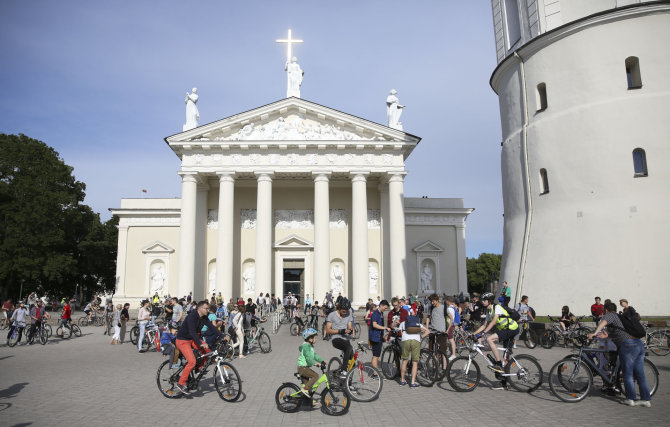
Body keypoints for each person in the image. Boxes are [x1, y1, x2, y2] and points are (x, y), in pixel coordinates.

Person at [588, 302, 651, 407]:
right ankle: (646, 400)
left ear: (606, 310)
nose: (603, 312)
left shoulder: (611, 315)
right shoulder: (619, 319)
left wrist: (594, 333)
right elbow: (611, 333)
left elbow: (603, 322)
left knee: (628, 373)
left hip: (628, 345)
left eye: (604, 310)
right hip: (638, 344)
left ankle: (630, 399)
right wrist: (602, 335)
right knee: (640, 373)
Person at [175, 300, 227, 394]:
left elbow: (212, 327)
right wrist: (200, 342)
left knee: (208, 351)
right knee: (191, 362)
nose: (208, 310)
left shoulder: (204, 317)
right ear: (200, 308)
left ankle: (199, 368)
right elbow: (192, 332)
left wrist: (222, 336)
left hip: (193, 339)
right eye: (206, 308)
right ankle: (181, 383)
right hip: (183, 340)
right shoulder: (191, 317)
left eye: (208, 308)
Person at [473, 293, 519, 378]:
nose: (482, 302)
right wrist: (473, 334)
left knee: (489, 339)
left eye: (484, 300)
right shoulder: (489, 312)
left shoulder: (497, 307)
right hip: (506, 330)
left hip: (511, 328)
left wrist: (483, 333)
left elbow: (493, 322)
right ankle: (504, 380)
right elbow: (484, 325)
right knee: (507, 357)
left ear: (490, 301)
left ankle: (498, 363)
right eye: (482, 300)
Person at [398, 312, 430, 387]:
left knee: (405, 360)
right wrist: (422, 336)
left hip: (406, 340)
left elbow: (400, 332)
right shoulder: (418, 324)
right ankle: (412, 382)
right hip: (416, 341)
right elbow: (428, 331)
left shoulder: (403, 323)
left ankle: (402, 380)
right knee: (415, 362)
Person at [325, 298, 354, 376]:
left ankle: (348, 384)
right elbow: (327, 330)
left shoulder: (349, 314)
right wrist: (339, 331)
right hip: (336, 338)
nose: (345, 313)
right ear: (339, 308)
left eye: (346, 311)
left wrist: (350, 330)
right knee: (348, 348)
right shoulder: (332, 315)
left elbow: (350, 326)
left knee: (352, 362)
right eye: (343, 311)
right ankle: (343, 371)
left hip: (346, 339)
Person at [297, 328, 326, 398]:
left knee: (308, 386)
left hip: (304, 367)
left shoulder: (310, 346)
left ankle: (307, 401)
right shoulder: (306, 347)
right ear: (310, 339)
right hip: (302, 368)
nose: (316, 339)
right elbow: (308, 357)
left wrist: (321, 361)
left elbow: (314, 355)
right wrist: (314, 363)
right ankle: (304, 389)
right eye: (315, 338)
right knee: (315, 376)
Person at [425, 294, 449, 372]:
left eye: (433, 301)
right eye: (431, 301)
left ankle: (444, 368)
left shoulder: (443, 307)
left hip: (441, 332)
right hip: (432, 331)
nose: (432, 303)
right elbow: (428, 317)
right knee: (432, 350)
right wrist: (427, 328)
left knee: (443, 351)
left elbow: (451, 318)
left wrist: (448, 330)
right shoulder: (431, 307)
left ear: (437, 300)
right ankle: (435, 366)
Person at [369, 300, 390, 371]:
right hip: (375, 337)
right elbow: (374, 325)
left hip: (378, 337)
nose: (385, 309)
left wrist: (382, 336)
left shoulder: (381, 313)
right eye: (385, 308)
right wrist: (385, 328)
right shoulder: (376, 314)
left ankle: (375, 372)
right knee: (376, 356)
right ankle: (375, 373)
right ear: (381, 305)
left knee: (376, 355)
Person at [444, 296, 458, 361]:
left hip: (450, 325)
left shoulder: (449, 309)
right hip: (451, 325)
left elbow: (451, 319)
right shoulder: (452, 307)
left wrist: (448, 329)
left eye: (445, 300)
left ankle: (453, 354)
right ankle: (452, 353)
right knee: (450, 340)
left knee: (451, 340)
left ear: (447, 301)